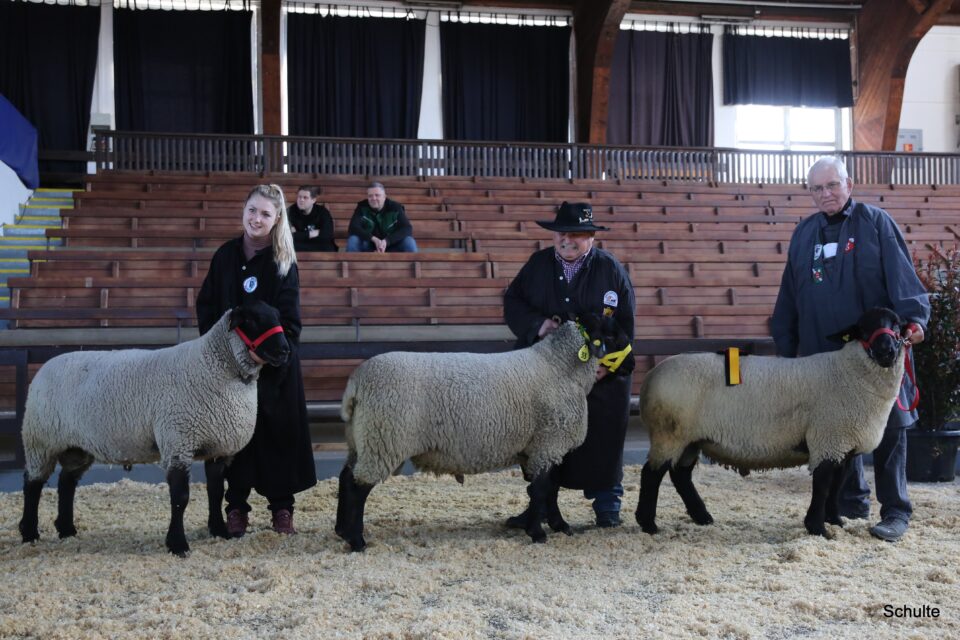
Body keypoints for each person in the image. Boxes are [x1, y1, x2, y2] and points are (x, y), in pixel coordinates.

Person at [770, 156, 930, 543]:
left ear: (849, 184)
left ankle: (895, 510)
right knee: (836, 431)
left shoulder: (876, 224)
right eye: (816, 189)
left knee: (890, 428)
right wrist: (786, 346)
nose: (825, 194)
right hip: (824, 355)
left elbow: (901, 276)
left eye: (832, 185)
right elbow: (790, 294)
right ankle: (850, 501)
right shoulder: (803, 234)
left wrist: (915, 320)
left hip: (876, 351)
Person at [503, 201, 635, 528]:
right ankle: (541, 505)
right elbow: (512, 301)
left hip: (600, 377)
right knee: (544, 441)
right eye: (563, 233)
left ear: (591, 237)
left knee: (602, 437)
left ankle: (608, 506)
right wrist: (538, 325)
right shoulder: (537, 264)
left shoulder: (611, 270)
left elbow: (626, 328)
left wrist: (606, 367)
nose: (568, 240)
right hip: (547, 376)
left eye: (578, 234)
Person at [196, 184, 317, 536]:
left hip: (273, 369)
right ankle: (235, 508)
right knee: (234, 442)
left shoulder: (283, 263)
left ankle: (282, 509)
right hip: (231, 372)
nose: (257, 218)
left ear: (277, 218)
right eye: (252, 210)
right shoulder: (225, 256)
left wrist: (261, 355)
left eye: (265, 213)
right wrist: (228, 352)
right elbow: (207, 308)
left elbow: (291, 323)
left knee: (276, 436)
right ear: (244, 210)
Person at [346, 182, 417, 253]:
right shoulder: (362, 207)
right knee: (353, 240)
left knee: (409, 242)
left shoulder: (395, 207)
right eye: (370, 196)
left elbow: (407, 228)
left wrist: (386, 241)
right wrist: (374, 239)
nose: (373, 198)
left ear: (384, 197)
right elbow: (353, 228)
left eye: (377, 195)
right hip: (369, 245)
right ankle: (352, 264)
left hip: (391, 246)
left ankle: (415, 263)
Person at [288, 186, 338, 252]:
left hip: (319, 245)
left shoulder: (323, 212)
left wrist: (300, 235)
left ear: (313, 200)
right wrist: (310, 234)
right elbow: (289, 236)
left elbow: (326, 236)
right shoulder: (290, 212)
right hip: (298, 245)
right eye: (299, 197)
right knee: (289, 246)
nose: (301, 200)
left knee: (328, 247)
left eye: (305, 197)